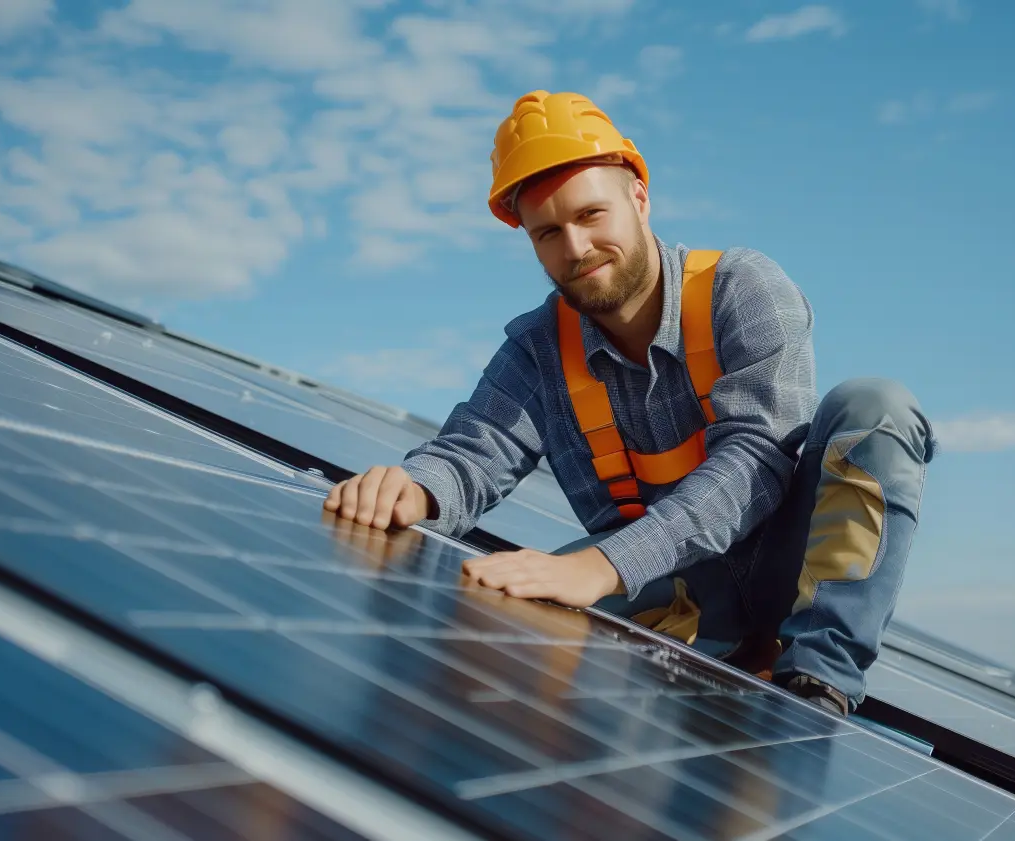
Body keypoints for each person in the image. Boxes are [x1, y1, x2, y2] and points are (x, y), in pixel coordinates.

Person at [323, 90, 938, 716]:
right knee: (492, 626)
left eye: (592, 215)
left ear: (638, 198)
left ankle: (818, 682)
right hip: (674, 592)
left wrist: (603, 566)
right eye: (549, 233)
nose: (576, 247)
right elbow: (472, 453)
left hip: (790, 569)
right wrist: (414, 490)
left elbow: (758, 458)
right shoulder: (538, 349)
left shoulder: (743, 289)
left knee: (876, 407)